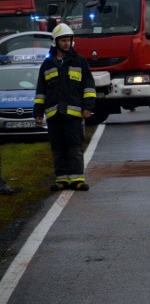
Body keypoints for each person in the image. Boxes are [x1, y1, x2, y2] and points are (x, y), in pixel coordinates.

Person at [33, 23, 96, 192]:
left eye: (68, 40)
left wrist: (88, 107)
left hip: (73, 115)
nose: (66, 43)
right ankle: (61, 179)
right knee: (58, 148)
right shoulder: (47, 64)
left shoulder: (80, 61)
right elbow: (41, 91)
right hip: (54, 115)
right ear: (55, 42)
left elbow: (88, 86)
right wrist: (38, 113)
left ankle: (77, 179)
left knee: (74, 147)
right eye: (63, 41)